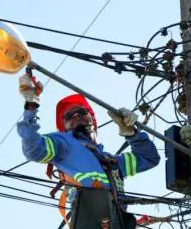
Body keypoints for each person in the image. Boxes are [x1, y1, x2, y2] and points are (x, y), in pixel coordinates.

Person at [17, 73, 160, 229]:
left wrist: (131, 133)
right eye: (69, 116)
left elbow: (149, 158)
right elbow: (33, 149)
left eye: (82, 112)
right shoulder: (63, 143)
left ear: (92, 121)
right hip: (89, 218)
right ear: (64, 127)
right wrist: (31, 104)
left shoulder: (111, 161)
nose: (76, 115)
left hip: (115, 220)